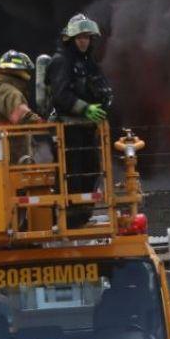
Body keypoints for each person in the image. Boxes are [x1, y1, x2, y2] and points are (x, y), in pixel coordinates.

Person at [46, 13, 113, 222]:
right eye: (80, 38)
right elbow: (60, 95)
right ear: (70, 39)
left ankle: (82, 215)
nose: (84, 42)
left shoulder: (88, 63)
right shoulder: (61, 62)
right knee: (71, 173)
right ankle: (67, 218)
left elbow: (100, 87)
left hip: (86, 129)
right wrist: (85, 108)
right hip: (66, 131)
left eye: (87, 37)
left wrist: (104, 101)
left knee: (92, 169)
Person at [0, 50, 43, 127]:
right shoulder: (10, 92)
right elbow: (24, 118)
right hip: (8, 135)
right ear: (20, 71)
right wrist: (43, 123)